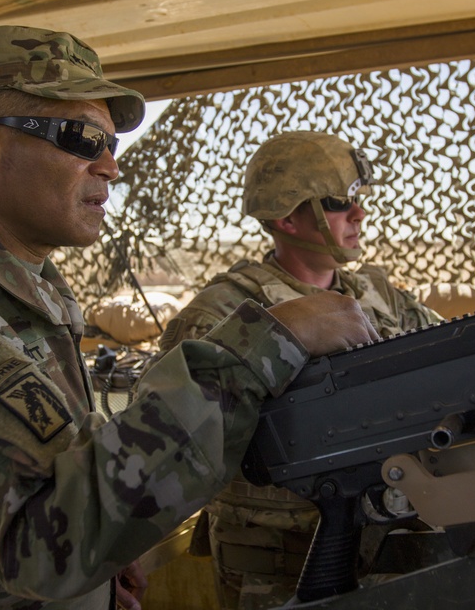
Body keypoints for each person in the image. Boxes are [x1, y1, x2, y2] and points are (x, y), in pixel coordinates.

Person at [0, 26, 378, 610]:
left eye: (112, 145)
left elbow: (52, 475)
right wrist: (263, 344)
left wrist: (103, 570)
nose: (110, 166)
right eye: (83, 141)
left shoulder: (21, 290)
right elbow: (49, 540)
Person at [158, 131, 442, 609]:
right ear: (287, 217)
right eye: (340, 202)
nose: (360, 214)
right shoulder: (222, 312)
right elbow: (174, 437)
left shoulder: (379, 296)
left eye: (360, 198)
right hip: (278, 558)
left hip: (385, 537)